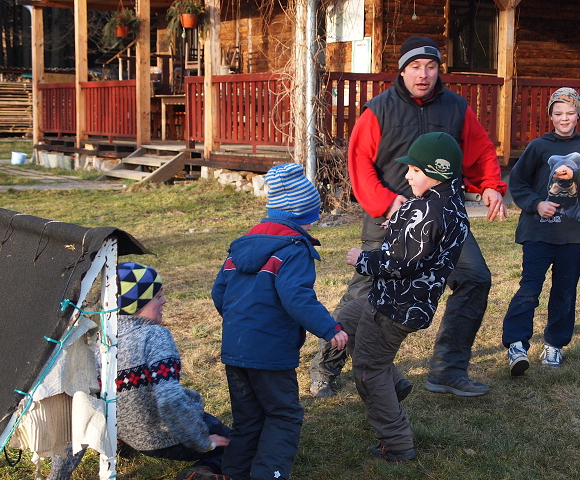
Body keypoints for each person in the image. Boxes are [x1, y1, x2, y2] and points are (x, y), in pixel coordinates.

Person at [309, 35, 507, 398]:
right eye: (415, 67)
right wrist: (387, 202)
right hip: (389, 220)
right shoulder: (378, 110)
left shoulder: (457, 108)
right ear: (402, 71)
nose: (423, 74)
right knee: (363, 295)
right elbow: (359, 163)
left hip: (444, 222)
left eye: (431, 67)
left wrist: (491, 185)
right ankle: (325, 368)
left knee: (475, 278)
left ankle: (448, 371)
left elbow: (480, 152)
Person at [211, 163, 348, 480]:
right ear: (303, 215)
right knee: (283, 414)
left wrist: (238, 323)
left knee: (247, 418)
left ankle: (232, 473)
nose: (314, 222)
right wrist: (330, 328)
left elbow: (219, 292)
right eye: (313, 215)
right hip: (270, 352)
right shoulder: (293, 250)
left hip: (235, 347)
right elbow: (297, 298)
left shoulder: (240, 247)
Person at [340, 132, 469, 461]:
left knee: (368, 370)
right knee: (346, 321)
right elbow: (422, 242)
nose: (408, 175)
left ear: (437, 173)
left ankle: (396, 442)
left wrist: (363, 259)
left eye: (415, 170)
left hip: (394, 306)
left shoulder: (428, 211)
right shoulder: (448, 205)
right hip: (401, 301)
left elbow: (399, 264)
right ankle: (394, 382)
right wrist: (400, 225)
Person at [48, 262, 232, 480]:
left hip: (126, 434)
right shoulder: (154, 336)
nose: (164, 300)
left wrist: (58, 475)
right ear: (139, 302)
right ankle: (202, 472)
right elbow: (170, 400)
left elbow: (80, 413)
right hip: (166, 436)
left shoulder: (99, 341)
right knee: (240, 446)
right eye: (158, 296)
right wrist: (202, 441)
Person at [503, 88, 580, 376]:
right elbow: (518, 182)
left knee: (565, 292)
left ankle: (554, 344)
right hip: (537, 233)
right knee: (530, 288)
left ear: (578, 115)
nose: (564, 118)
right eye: (558, 113)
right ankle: (516, 344)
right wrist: (536, 204)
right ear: (550, 116)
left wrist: (577, 173)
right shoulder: (538, 146)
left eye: (570, 113)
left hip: (573, 235)